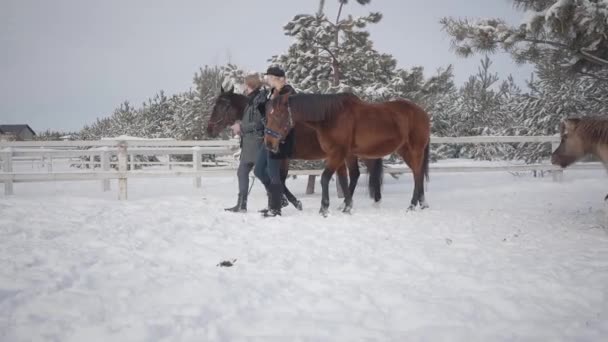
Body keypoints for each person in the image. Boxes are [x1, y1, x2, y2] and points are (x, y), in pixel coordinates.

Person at [254, 66, 297, 217]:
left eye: (270, 77)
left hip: (280, 139)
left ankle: (275, 207)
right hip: (268, 135)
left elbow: (288, 118)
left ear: (280, 79)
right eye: (268, 78)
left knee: (274, 174)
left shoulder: (288, 93)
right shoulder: (271, 93)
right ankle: (279, 198)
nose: (268, 80)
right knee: (258, 170)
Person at [224, 74, 268, 212]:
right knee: (242, 172)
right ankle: (242, 204)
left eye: (245, 84)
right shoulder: (249, 100)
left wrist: (241, 127)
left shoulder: (260, 100)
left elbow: (261, 123)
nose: (243, 87)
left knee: (262, 173)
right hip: (248, 142)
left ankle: (275, 201)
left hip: (257, 142)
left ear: (251, 85)